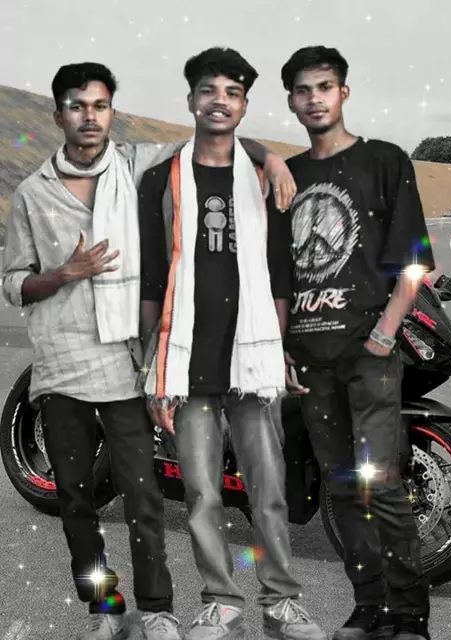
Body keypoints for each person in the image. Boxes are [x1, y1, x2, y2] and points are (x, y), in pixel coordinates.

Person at [1, 61, 299, 640]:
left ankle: (158, 609)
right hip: (60, 365)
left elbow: (213, 136)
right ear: (58, 115)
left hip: (124, 363)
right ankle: (105, 609)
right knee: (76, 501)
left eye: (100, 105)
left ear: (111, 111)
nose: (90, 117)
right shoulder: (33, 194)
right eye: (77, 106)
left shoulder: (136, 163)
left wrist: (270, 158)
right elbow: (13, 283)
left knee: (143, 496)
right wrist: (63, 273)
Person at [138, 47, 327, 640]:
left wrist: (281, 348)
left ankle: (281, 600)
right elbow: (151, 277)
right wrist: (152, 365)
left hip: (252, 357)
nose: (219, 101)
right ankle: (221, 601)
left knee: (269, 492)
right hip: (187, 361)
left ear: (244, 106)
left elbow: (280, 272)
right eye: (209, 90)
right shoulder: (160, 180)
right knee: (201, 494)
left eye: (233, 93)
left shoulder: (266, 181)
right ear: (191, 99)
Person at [280, 46, 435, 640]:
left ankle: (409, 614)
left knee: (382, 485)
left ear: (343, 92)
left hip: (368, 356)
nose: (314, 98)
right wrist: (282, 348)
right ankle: (369, 605)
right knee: (342, 490)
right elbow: (277, 273)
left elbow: (414, 260)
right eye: (303, 90)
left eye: (324, 86)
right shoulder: (288, 176)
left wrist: (385, 332)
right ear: (291, 101)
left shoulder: (385, 161)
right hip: (309, 361)